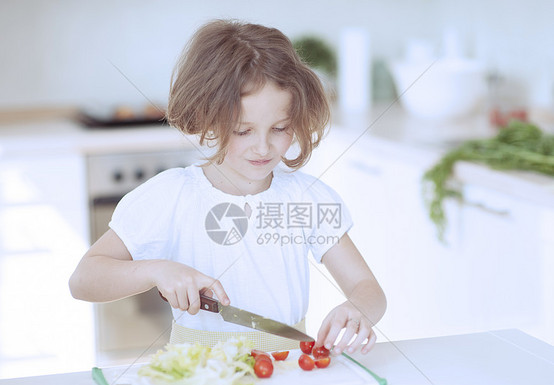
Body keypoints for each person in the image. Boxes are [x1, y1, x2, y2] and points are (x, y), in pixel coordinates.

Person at [69, 19, 386, 355]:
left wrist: (358, 310)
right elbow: (84, 279)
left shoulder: (305, 199)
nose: (263, 148)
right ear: (207, 119)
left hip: (288, 365)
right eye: (242, 131)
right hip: (200, 373)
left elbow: (368, 289)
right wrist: (155, 270)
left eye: (279, 128)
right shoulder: (172, 195)